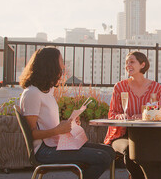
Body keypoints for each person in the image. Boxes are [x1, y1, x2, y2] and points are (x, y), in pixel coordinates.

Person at [19, 47, 115, 179]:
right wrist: (58, 130)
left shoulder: (47, 90)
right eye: (61, 61)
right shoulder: (32, 93)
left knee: (109, 151)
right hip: (44, 151)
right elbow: (32, 134)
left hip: (57, 144)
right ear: (50, 64)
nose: (63, 65)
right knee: (102, 157)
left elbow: (48, 123)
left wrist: (70, 123)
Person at [104, 51, 161, 179]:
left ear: (142, 65)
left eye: (131, 62)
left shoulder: (155, 88)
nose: (127, 65)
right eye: (126, 63)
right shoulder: (119, 87)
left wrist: (145, 115)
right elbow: (112, 113)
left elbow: (159, 113)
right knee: (130, 149)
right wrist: (119, 116)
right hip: (123, 133)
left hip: (148, 134)